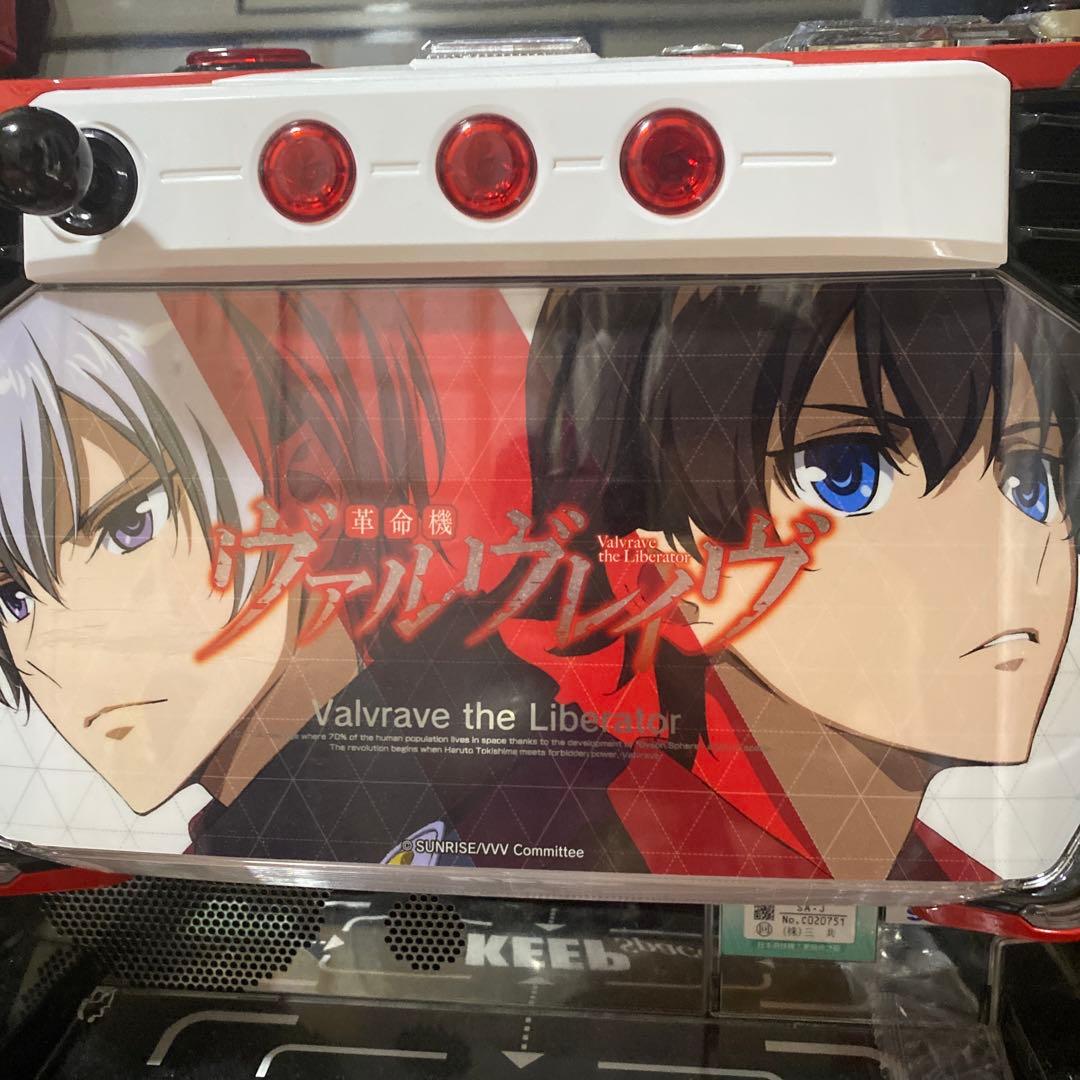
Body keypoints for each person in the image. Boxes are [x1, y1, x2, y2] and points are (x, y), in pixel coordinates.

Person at [519, 275, 1080, 881]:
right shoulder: (602, 854)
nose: (1007, 550)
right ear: (660, 557)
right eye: (848, 472)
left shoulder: (966, 887)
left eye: (1031, 480)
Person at [0, 287, 447, 859]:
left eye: (130, 526)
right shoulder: (228, 860)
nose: (54, 652)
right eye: (14, 598)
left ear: (307, 483)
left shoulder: (490, 785)